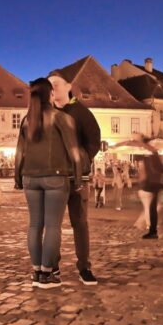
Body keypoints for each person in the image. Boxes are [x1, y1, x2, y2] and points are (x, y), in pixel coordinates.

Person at [14, 78, 84, 288]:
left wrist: (18, 179)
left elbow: (19, 153)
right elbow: (74, 152)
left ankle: (36, 272)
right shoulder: (60, 118)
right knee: (53, 226)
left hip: (30, 178)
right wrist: (78, 179)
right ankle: (47, 274)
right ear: (51, 95)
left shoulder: (27, 120)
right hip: (55, 177)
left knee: (35, 225)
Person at [48, 70, 102, 284]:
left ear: (68, 86)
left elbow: (94, 141)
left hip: (78, 180)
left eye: (57, 84)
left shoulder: (81, 112)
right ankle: (53, 265)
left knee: (80, 222)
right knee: (53, 224)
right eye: (50, 85)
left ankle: (84, 267)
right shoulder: (47, 113)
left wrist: (83, 161)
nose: (53, 89)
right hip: (54, 179)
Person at [136, 138, 163, 238]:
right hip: (153, 185)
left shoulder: (154, 155)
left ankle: (153, 232)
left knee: (152, 209)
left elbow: (159, 170)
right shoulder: (150, 156)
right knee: (152, 209)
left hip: (154, 185)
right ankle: (153, 231)